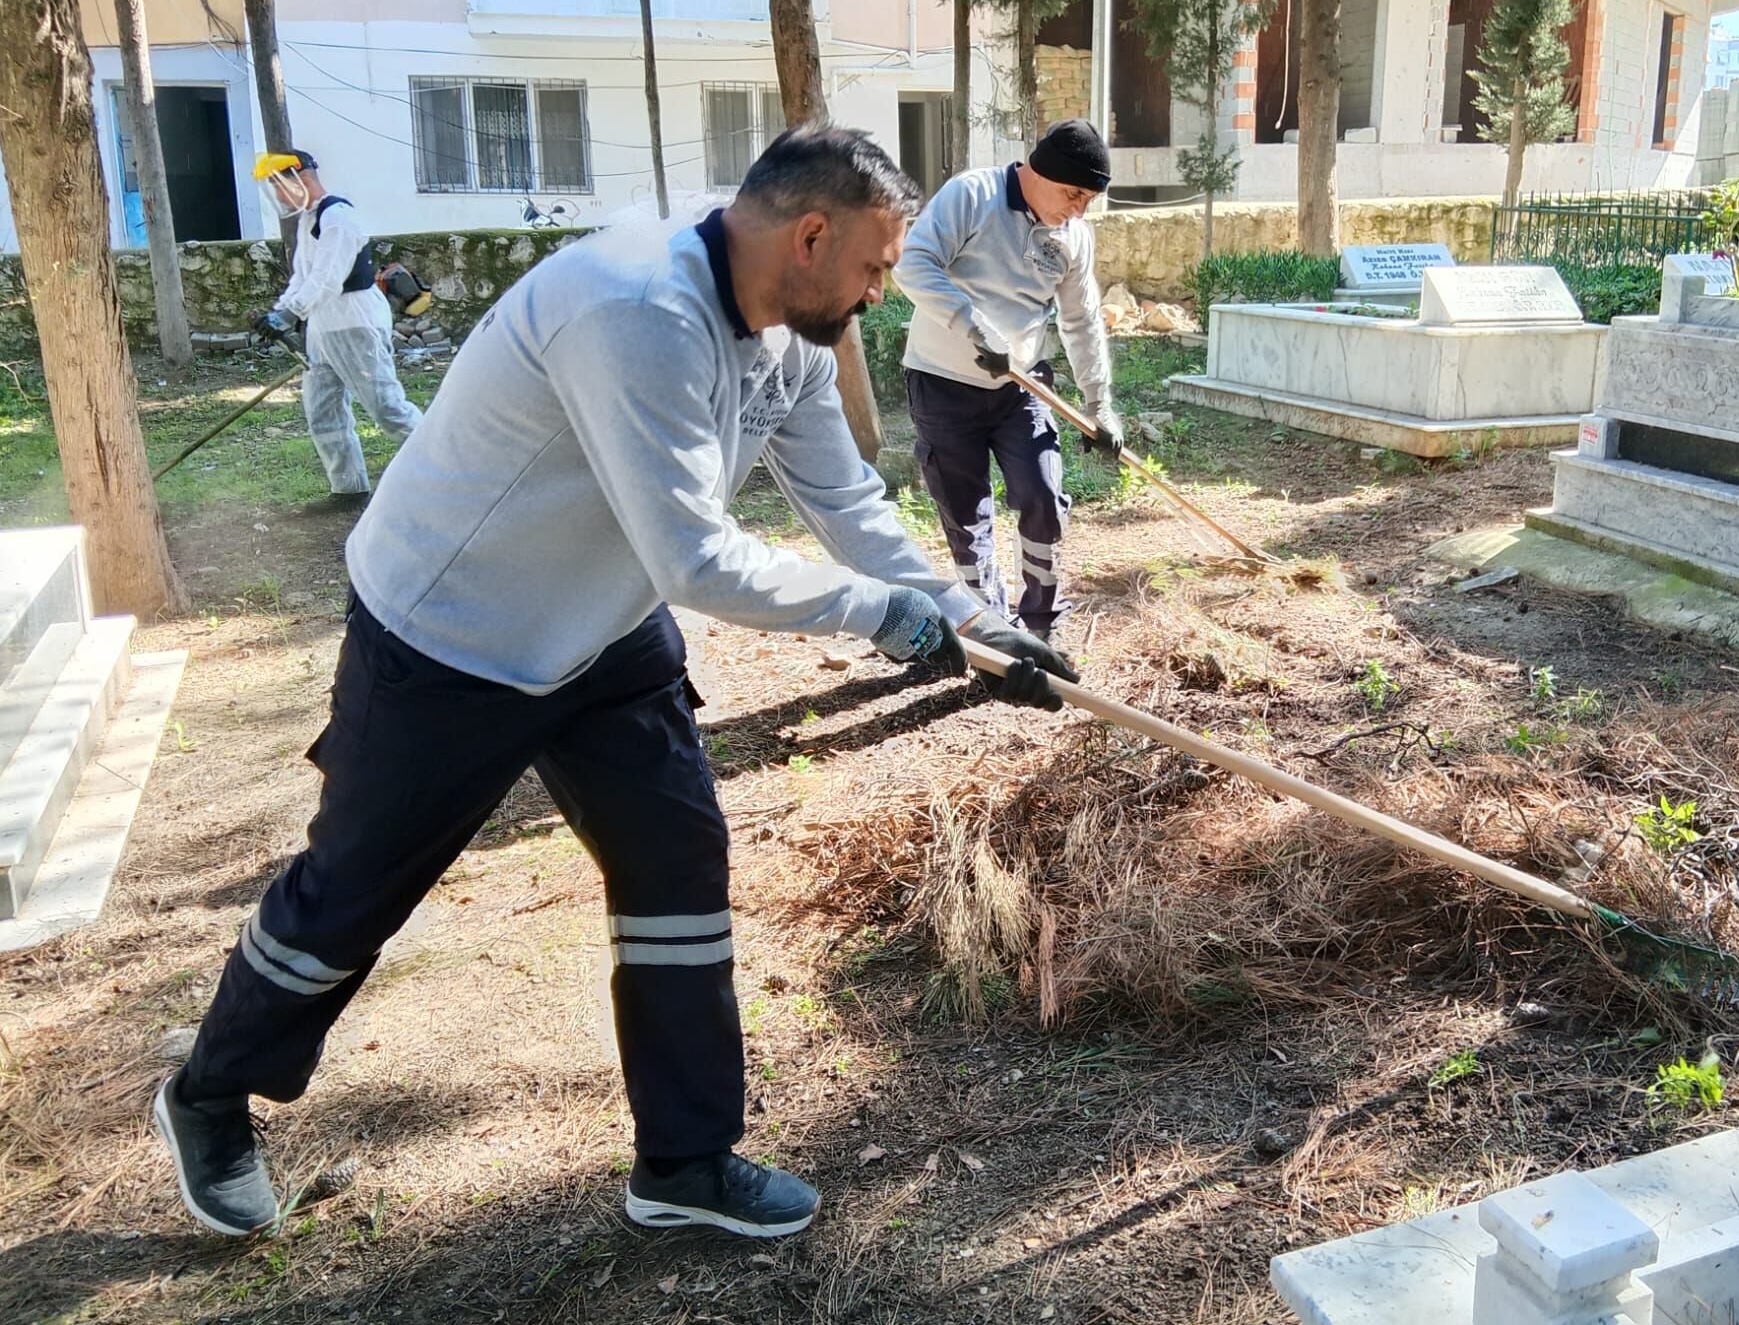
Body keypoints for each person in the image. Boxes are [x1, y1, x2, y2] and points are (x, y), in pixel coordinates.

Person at [157, 126, 1075, 1240]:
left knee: (675, 862)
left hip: (604, 623)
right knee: (353, 890)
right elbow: (695, 557)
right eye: (879, 267)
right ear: (811, 235)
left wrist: (969, 617)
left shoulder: (791, 322)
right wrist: (890, 620)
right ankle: (208, 1094)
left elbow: (845, 504)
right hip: (452, 630)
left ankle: (685, 1162)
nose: (886, 292)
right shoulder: (638, 310)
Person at [894, 119, 1121, 642]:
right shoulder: (971, 196)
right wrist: (973, 326)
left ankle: (1041, 624)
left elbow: (1081, 321)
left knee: (1043, 496)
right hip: (942, 382)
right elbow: (913, 261)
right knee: (967, 516)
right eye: (1073, 194)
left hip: (1023, 387)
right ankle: (994, 636)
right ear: (1039, 173)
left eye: (1089, 199)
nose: (1079, 209)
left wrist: (1099, 404)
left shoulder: (1073, 237)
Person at [250, 150, 423, 502]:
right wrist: (278, 313)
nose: (280, 196)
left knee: (387, 408)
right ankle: (348, 489)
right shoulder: (308, 219)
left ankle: (447, 466)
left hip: (354, 323)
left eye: (280, 187)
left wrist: (290, 314)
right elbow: (304, 276)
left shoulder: (339, 219)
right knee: (323, 411)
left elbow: (328, 280)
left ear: (302, 178)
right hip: (322, 328)